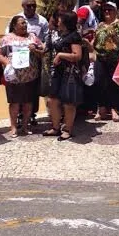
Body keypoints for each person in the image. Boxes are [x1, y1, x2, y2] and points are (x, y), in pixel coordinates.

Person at [0, 16, 43, 138]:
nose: (25, 25)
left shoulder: (32, 37)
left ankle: (24, 126)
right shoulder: (6, 39)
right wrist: (7, 63)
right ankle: (13, 127)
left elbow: (43, 52)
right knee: (14, 102)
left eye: (25, 23)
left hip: (30, 76)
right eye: (22, 23)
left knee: (28, 102)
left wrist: (35, 50)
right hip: (14, 76)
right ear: (14, 25)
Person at [42, 10, 84, 141]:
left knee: (68, 103)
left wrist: (60, 55)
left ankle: (67, 130)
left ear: (65, 22)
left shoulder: (74, 36)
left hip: (69, 73)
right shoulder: (61, 34)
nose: (57, 21)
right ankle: (55, 128)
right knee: (52, 100)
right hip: (58, 72)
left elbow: (77, 56)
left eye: (60, 19)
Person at [93, 1, 119, 122]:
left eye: (110, 10)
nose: (107, 12)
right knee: (99, 82)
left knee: (113, 84)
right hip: (100, 58)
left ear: (115, 11)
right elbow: (95, 41)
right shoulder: (100, 25)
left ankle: (114, 109)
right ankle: (102, 108)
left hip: (115, 58)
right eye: (105, 10)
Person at [16, 0, 48, 126]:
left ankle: (32, 114)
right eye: (29, 5)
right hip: (20, 58)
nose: (32, 8)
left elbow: (46, 39)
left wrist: (40, 47)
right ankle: (19, 115)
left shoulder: (42, 21)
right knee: (20, 87)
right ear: (23, 6)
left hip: (35, 58)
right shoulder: (16, 19)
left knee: (33, 87)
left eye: (34, 5)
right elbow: (8, 35)